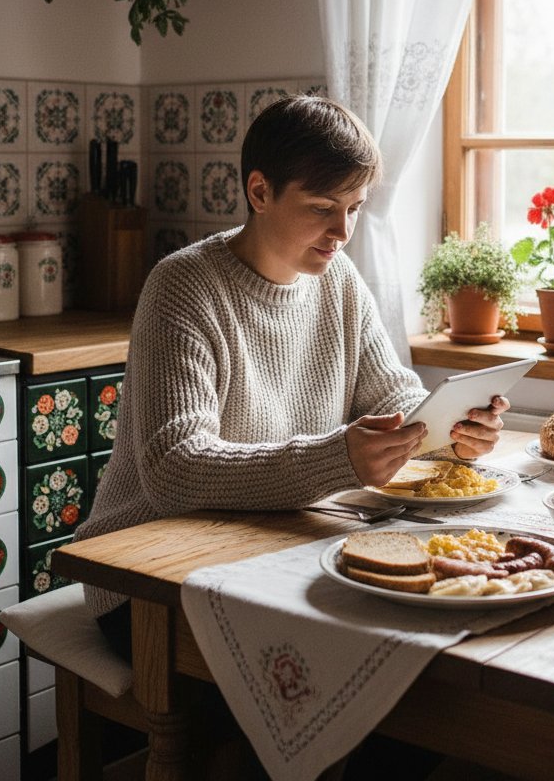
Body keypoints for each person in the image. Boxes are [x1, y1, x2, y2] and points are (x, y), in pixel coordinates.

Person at [76, 95, 509, 649]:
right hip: (146, 574)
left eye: (355, 207)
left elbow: (394, 396)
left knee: (424, 637)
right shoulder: (182, 286)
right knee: (362, 650)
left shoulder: (338, 278)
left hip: (268, 543)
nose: (344, 230)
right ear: (260, 192)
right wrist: (337, 459)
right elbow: (174, 472)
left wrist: (453, 432)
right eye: (323, 207)